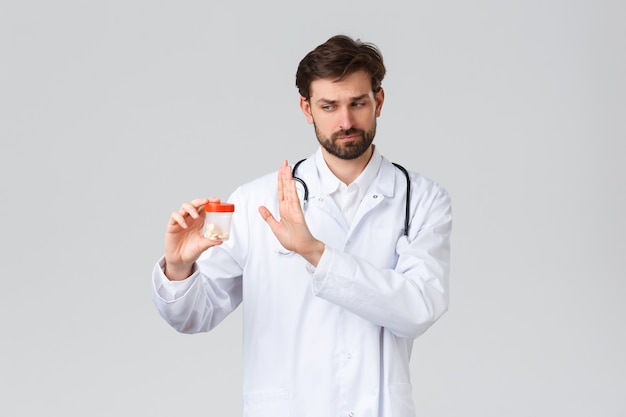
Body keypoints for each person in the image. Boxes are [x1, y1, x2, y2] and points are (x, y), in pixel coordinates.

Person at [152, 34, 452, 417]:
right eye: (329, 106)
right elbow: (195, 315)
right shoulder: (254, 201)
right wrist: (179, 268)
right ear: (306, 109)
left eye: (357, 103)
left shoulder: (422, 199)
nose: (345, 121)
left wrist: (315, 252)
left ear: (378, 101)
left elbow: (419, 308)